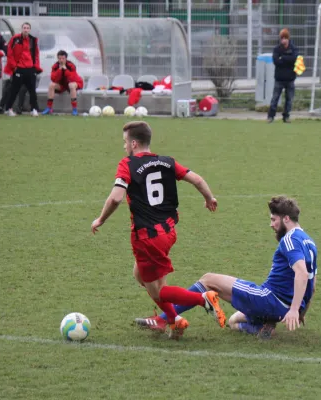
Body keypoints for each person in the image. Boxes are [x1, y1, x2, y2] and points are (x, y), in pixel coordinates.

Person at [91, 121, 226, 339]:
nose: (124, 146)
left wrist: (101, 219)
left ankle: (202, 300)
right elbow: (197, 179)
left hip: (146, 237)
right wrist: (209, 198)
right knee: (141, 274)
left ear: (134, 143)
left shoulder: (128, 164)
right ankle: (174, 321)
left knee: (157, 290)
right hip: (169, 232)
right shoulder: (167, 162)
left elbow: (116, 197)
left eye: (125, 142)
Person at [135, 195, 318, 339]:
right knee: (233, 321)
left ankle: (163, 319)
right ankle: (261, 326)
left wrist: (294, 310)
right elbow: (312, 283)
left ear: (286, 219)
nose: (271, 225)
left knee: (208, 280)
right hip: (280, 308)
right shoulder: (309, 242)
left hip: (270, 300)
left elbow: (301, 274)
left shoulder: (290, 239)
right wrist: (302, 310)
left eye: (273, 220)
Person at [3, 22, 42, 117]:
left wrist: (35, 66)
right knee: (14, 90)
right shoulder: (15, 39)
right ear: (21, 29)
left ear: (30, 29)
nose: (26, 29)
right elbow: (10, 53)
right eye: (24, 27)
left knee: (32, 90)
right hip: (19, 68)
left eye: (28, 28)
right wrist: (14, 67)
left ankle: (34, 109)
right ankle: (9, 109)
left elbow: (36, 54)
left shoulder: (33, 40)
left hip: (30, 69)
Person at [267, 29, 298, 124]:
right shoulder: (277, 49)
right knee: (275, 98)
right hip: (279, 78)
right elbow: (276, 61)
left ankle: (286, 116)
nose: (283, 40)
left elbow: (294, 59)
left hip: (290, 78)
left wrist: (283, 58)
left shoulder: (294, 48)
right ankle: (271, 116)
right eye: (282, 38)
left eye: (285, 38)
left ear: (288, 38)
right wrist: (287, 60)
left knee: (289, 99)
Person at [42, 50, 83, 116]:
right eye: (59, 58)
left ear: (66, 58)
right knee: (51, 85)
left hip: (76, 83)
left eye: (63, 58)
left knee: (71, 85)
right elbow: (53, 79)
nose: (61, 60)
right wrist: (59, 70)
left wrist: (65, 69)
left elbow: (72, 79)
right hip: (63, 85)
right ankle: (49, 108)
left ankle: (74, 109)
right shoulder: (55, 66)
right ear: (57, 58)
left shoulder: (71, 65)